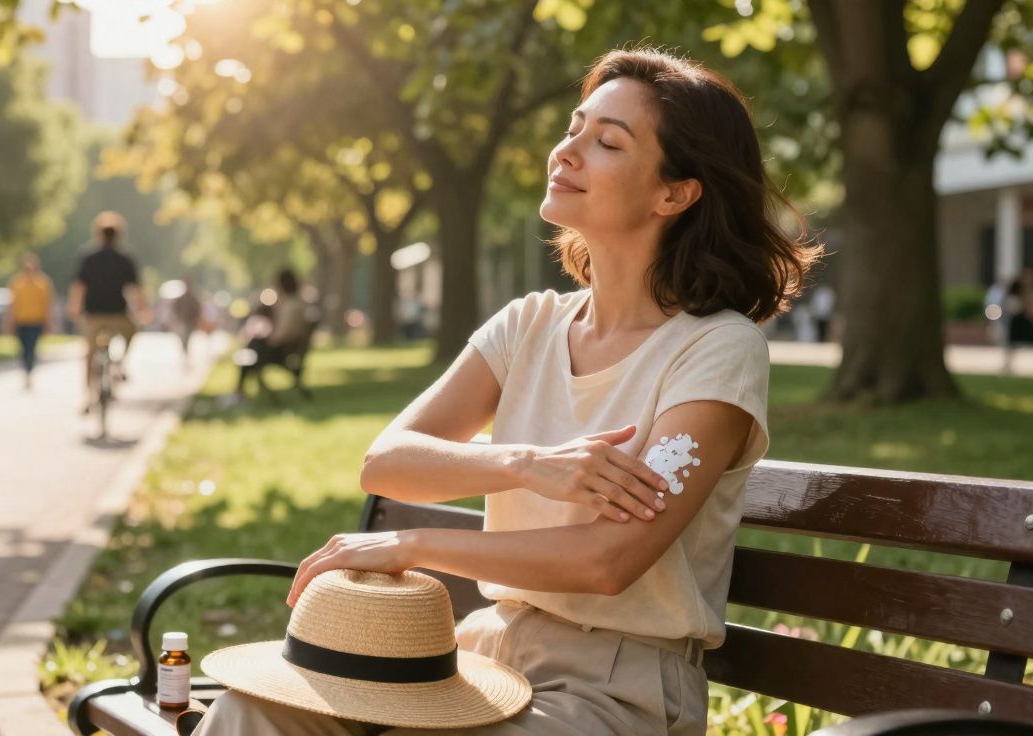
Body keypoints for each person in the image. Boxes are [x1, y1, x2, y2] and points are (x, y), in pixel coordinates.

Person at [195, 46, 819, 734]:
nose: (567, 151)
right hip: (478, 659)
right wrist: (526, 463)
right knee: (250, 709)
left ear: (676, 192)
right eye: (575, 126)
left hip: (613, 692)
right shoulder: (530, 324)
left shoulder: (716, 348)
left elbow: (609, 561)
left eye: (607, 141)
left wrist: (410, 547)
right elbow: (389, 461)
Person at [67, 211, 146, 411]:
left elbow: (79, 287)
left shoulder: (88, 257)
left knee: (89, 354)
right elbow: (135, 289)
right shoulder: (125, 258)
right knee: (133, 331)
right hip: (118, 314)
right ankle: (121, 362)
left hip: (93, 314)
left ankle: (88, 396)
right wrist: (142, 310)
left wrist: (74, 308)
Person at [225, 268, 311, 403]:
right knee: (251, 350)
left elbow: (283, 334)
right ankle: (239, 391)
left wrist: (268, 337)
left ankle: (238, 392)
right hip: (287, 350)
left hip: (283, 352)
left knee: (251, 350)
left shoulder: (291, 306)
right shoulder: (295, 303)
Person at [5, 252, 55, 390]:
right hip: (21, 321)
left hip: (36, 321)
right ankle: (26, 370)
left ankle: (29, 371)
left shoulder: (43, 283)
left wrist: (48, 322)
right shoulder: (16, 283)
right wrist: (9, 322)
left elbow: (47, 305)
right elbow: (12, 305)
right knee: (23, 348)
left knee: (31, 348)